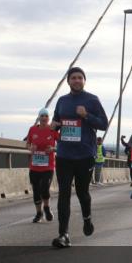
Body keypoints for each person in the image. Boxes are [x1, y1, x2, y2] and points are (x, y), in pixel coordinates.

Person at [50, 67, 108, 249]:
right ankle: (63, 234)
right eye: (73, 78)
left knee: (83, 193)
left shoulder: (92, 100)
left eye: (79, 78)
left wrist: (86, 115)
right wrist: (54, 126)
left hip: (84, 155)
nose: (76, 80)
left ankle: (87, 219)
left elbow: (104, 124)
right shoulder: (62, 101)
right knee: (64, 194)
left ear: (84, 81)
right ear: (68, 81)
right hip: (64, 155)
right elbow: (56, 121)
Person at [26, 108, 59, 223]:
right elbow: (27, 144)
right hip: (34, 166)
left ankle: (47, 207)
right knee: (36, 191)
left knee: (45, 188)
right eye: (42, 116)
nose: (44, 118)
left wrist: (53, 149)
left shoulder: (52, 130)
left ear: (48, 118)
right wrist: (31, 148)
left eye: (46, 116)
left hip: (48, 166)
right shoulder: (32, 129)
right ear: (39, 118)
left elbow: (62, 145)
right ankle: (39, 213)